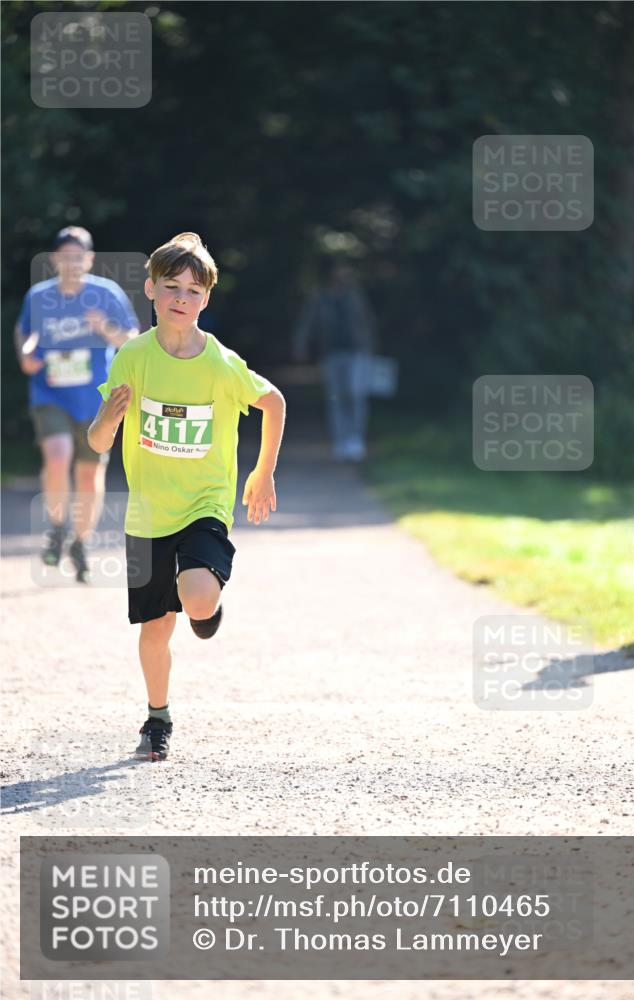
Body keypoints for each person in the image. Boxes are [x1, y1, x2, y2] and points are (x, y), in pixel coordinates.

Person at [88, 232, 286, 761]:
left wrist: (262, 472)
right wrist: (106, 418)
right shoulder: (133, 357)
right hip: (147, 512)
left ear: (206, 298)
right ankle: (157, 719)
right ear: (150, 289)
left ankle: (205, 605)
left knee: (196, 595)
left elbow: (274, 402)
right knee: (156, 628)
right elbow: (99, 441)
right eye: (171, 286)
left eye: (193, 290)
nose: (181, 298)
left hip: (205, 501)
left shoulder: (220, 363)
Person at [14, 226, 139, 582]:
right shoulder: (39, 296)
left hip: (96, 398)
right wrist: (26, 355)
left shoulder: (106, 293)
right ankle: (57, 527)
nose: (72, 263)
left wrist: (105, 329)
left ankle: (81, 543)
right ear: (55, 259)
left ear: (90, 259)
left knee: (89, 473)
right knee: (57, 455)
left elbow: (132, 339)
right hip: (50, 393)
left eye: (78, 256)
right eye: (65, 256)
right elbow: (25, 332)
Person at [293, 258, 376, 461]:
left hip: (357, 351)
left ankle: (355, 439)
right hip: (331, 353)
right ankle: (340, 441)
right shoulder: (319, 296)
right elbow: (308, 322)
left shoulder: (354, 295)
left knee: (356, 394)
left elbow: (367, 321)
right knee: (336, 397)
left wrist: (371, 348)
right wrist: (301, 345)